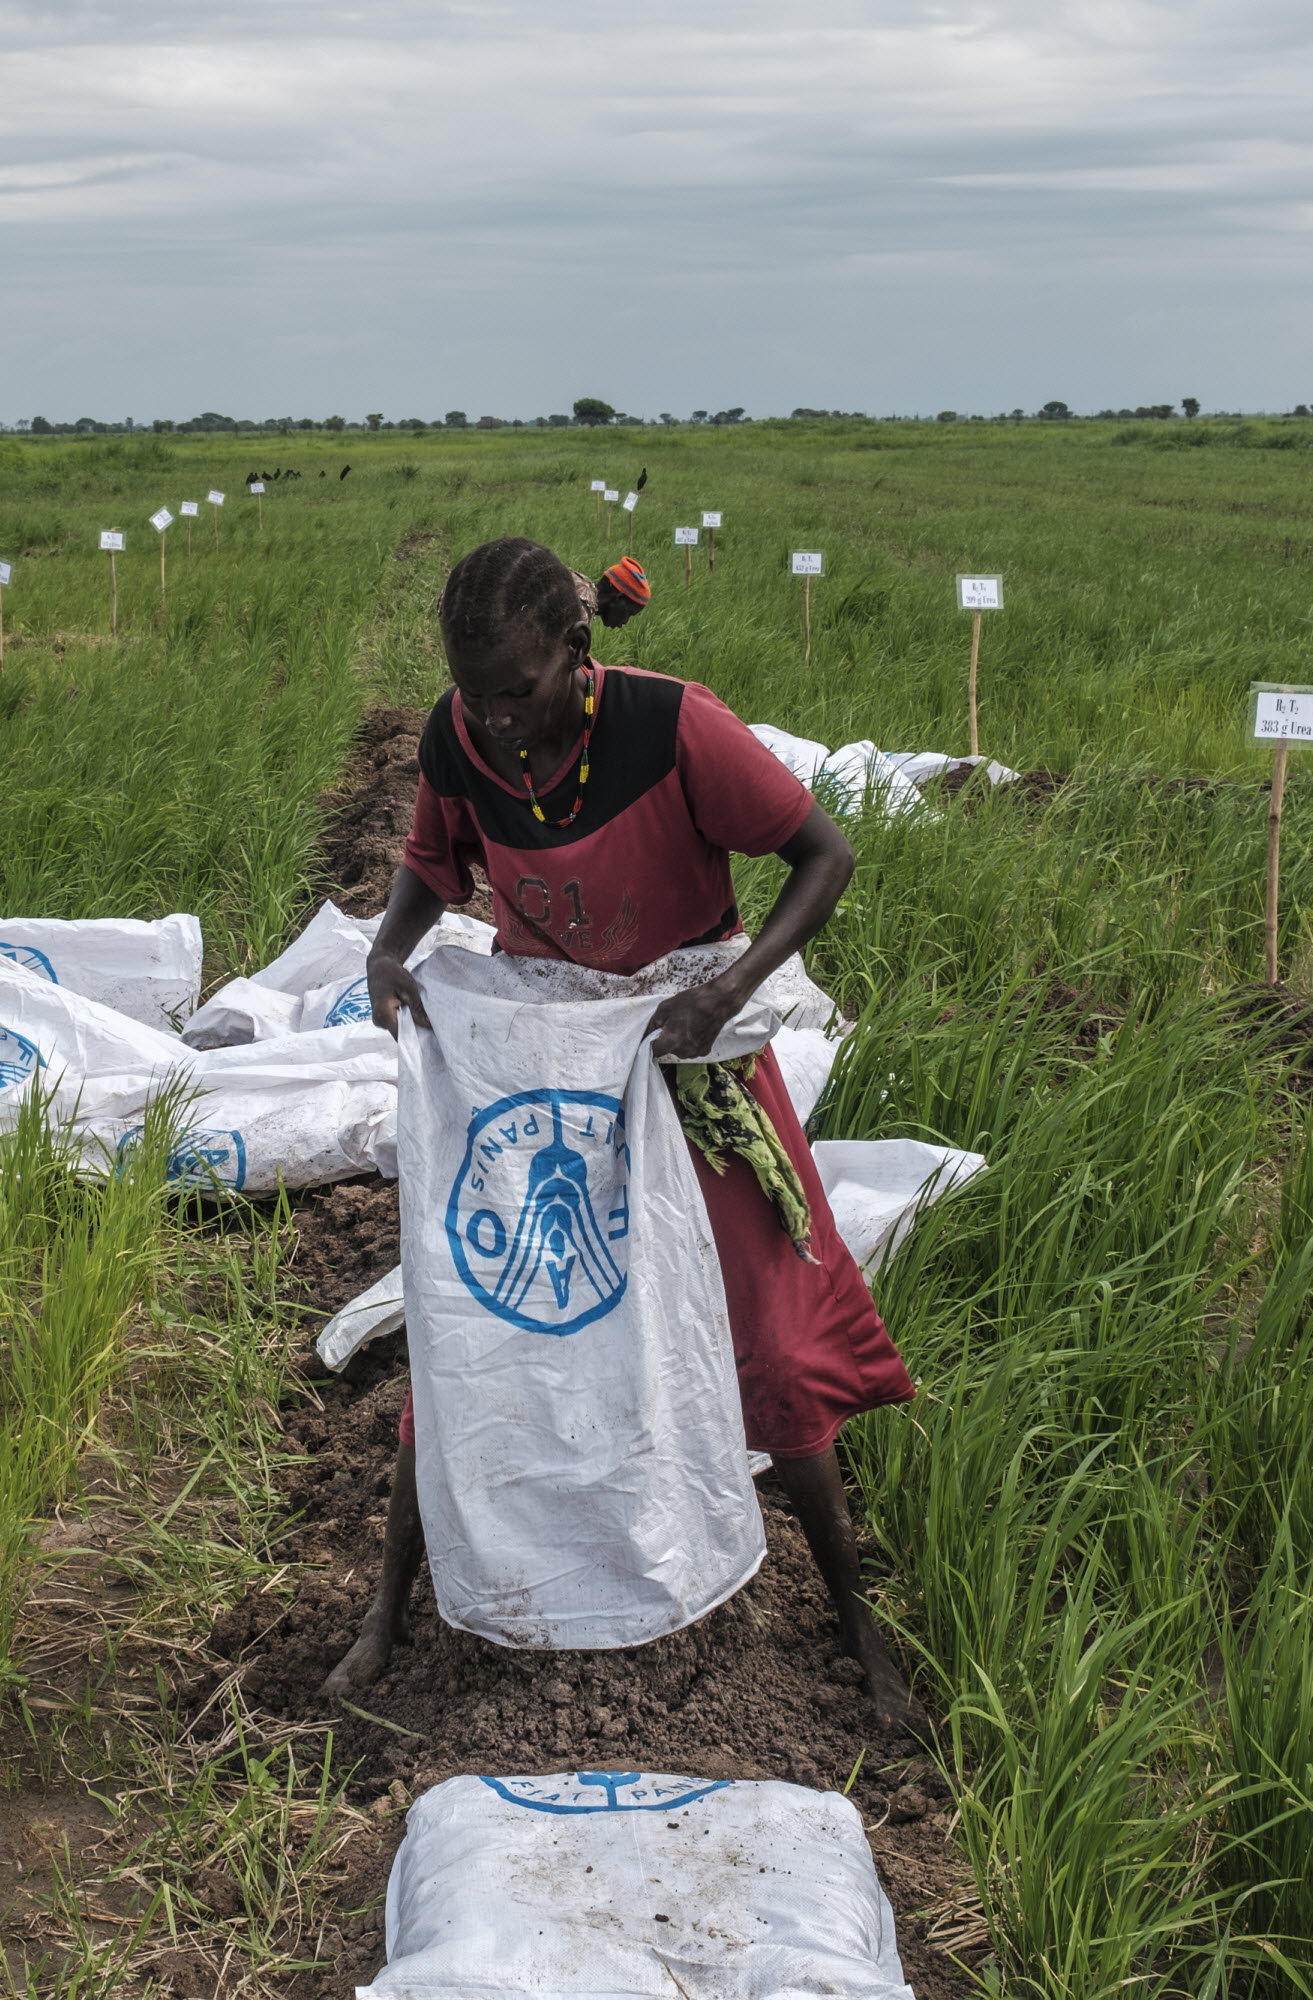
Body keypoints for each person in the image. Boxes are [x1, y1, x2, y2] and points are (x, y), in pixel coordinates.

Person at [321, 535, 923, 1728]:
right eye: (472, 693)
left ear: (578, 653)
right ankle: (388, 1612)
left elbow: (825, 854)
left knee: (775, 1346)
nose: (494, 720)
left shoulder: (673, 727)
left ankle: (855, 1622)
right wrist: (391, 945)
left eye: (518, 691)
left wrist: (729, 986)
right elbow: (436, 863)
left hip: (683, 1054)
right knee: (479, 1329)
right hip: (551, 1070)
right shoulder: (460, 735)